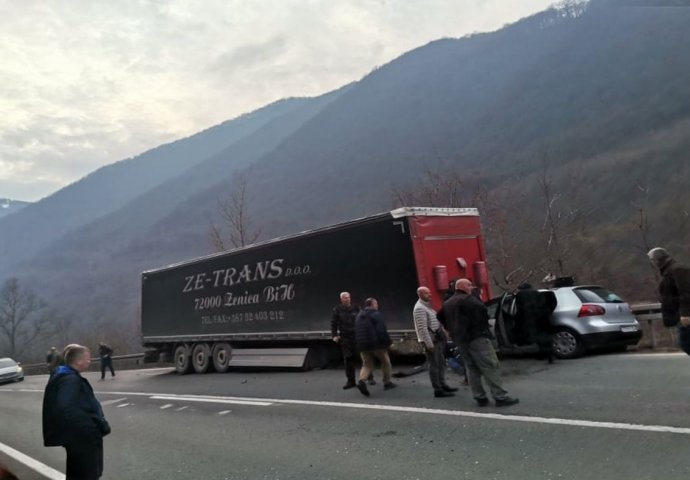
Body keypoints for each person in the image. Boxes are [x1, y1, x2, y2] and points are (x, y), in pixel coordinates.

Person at [443, 279, 519, 407]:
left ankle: (479, 397)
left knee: (471, 367)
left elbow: (441, 316)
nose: (471, 287)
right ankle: (500, 396)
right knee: (490, 366)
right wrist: (481, 329)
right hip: (476, 338)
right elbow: (483, 312)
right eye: (469, 285)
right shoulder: (469, 300)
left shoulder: (448, 303)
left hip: (460, 340)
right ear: (462, 287)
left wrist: (452, 330)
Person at [42, 344, 111, 480]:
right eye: (88, 359)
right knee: (87, 473)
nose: (90, 361)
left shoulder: (64, 376)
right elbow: (67, 409)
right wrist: (91, 428)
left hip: (76, 439)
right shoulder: (70, 381)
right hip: (82, 438)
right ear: (78, 361)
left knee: (77, 472)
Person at [412, 286, 458, 398]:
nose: (430, 295)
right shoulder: (419, 308)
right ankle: (438, 389)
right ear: (420, 294)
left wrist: (443, 331)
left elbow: (434, 321)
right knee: (434, 365)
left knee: (441, 363)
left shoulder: (427, 306)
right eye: (427, 293)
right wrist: (428, 343)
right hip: (432, 341)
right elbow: (422, 328)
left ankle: (442, 384)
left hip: (438, 339)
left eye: (429, 292)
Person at [647, 247, 690, 356]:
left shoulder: (677, 269)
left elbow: (686, 292)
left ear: (658, 259)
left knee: (686, 343)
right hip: (677, 313)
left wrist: (685, 313)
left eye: (652, 260)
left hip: (684, 314)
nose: (652, 263)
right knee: (686, 342)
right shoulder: (668, 271)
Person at [354, 297, 396, 396]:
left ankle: (362, 381)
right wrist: (388, 343)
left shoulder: (359, 315)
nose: (377, 305)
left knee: (367, 364)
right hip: (376, 344)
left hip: (362, 345)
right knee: (386, 362)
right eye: (376, 303)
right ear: (372, 305)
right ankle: (387, 382)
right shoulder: (376, 314)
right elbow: (381, 330)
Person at [514, 283, 556, 363]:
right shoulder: (537, 293)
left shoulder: (520, 295)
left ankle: (542, 354)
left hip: (531, 319)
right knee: (545, 336)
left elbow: (520, 309)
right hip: (543, 317)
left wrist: (518, 319)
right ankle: (550, 354)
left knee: (538, 338)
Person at [331, 292, 361, 389]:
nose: (347, 299)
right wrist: (334, 335)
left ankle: (368, 378)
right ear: (341, 299)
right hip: (345, 337)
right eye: (344, 298)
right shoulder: (337, 310)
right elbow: (333, 323)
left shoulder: (356, 308)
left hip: (357, 336)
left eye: (348, 297)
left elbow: (362, 320)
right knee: (348, 359)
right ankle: (351, 381)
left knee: (364, 357)